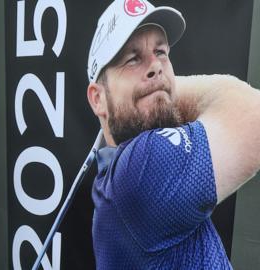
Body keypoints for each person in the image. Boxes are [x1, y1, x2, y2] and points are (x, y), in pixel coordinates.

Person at [86, 0, 260, 269]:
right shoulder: (142, 168)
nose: (156, 66)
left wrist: (159, 90)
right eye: (133, 58)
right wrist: (164, 90)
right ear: (97, 99)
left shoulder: (115, 181)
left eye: (161, 52)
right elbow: (254, 113)